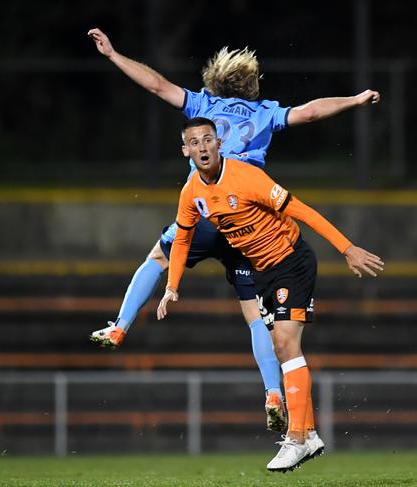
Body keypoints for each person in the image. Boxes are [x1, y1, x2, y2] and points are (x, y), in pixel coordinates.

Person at [87, 27, 381, 432]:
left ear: (215, 80)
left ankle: (120, 326)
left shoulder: (201, 106)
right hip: (249, 226)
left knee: (158, 256)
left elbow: (156, 86)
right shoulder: (265, 113)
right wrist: (356, 99)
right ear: (252, 85)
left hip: (208, 214)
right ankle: (272, 392)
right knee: (255, 316)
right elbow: (311, 111)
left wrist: (114, 55)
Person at [157, 117, 384, 472]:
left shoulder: (247, 178)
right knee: (282, 347)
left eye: (208, 140)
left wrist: (346, 248)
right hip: (263, 271)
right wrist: (172, 286)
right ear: (186, 151)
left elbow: (301, 210)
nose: (202, 147)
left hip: (291, 261)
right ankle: (308, 434)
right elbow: (183, 238)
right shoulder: (191, 194)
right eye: (194, 142)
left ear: (219, 143)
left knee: (284, 344)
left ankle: (296, 439)